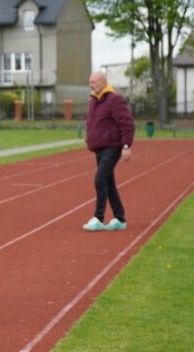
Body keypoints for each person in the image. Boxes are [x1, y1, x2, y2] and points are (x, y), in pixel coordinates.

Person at [82, 71, 135, 232]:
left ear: (104, 83)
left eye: (95, 82)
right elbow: (92, 123)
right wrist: (89, 138)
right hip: (99, 147)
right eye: (90, 82)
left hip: (112, 147)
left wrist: (126, 146)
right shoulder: (93, 101)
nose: (91, 85)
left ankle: (99, 217)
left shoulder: (114, 100)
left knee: (100, 180)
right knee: (109, 183)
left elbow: (127, 124)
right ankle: (120, 218)